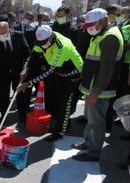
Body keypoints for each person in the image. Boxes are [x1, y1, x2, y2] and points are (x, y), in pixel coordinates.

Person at [71, 8, 124, 161]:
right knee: (91, 120)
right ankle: (88, 143)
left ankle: (93, 152)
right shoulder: (102, 33)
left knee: (96, 121)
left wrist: (96, 91)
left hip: (99, 90)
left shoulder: (110, 37)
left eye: (91, 25)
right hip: (92, 87)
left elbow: (107, 69)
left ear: (103, 21)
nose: (89, 29)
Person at [18, 25, 83, 141]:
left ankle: (60, 132)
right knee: (57, 100)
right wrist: (26, 68)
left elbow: (49, 72)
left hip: (73, 74)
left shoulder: (62, 47)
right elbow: (34, 55)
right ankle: (64, 124)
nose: (42, 45)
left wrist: (28, 84)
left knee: (65, 103)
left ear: (51, 36)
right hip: (60, 72)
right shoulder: (42, 41)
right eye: (40, 42)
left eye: (44, 42)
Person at [0, 21, 30, 122]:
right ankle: (4, 115)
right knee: (3, 95)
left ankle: (22, 115)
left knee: (19, 94)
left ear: (9, 30)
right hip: (2, 72)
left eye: (3, 33)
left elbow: (28, 53)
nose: (1, 36)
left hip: (19, 71)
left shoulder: (19, 36)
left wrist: (26, 67)